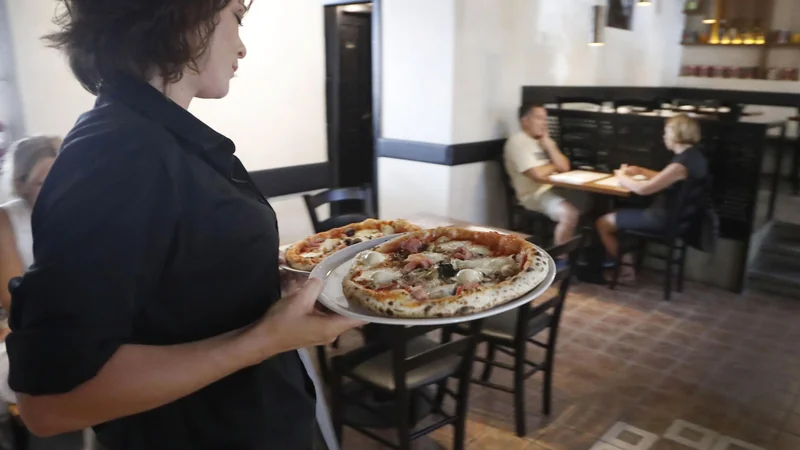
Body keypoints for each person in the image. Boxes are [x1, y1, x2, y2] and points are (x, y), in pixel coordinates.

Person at [6, 2, 363, 450]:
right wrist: (264, 338)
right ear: (181, 13)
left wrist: (260, 273)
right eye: (236, 15)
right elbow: (49, 402)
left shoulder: (159, 138)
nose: (242, 45)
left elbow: (169, 285)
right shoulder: (117, 153)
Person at [0, 136, 89, 450]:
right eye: (43, 182)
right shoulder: (7, 219)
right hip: (33, 327)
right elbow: (14, 298)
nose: (59, 187)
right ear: (21, 184)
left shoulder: (84, 212)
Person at [595, 114, 708, 283]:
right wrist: (640, 171)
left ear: (676, 134)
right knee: (617, 214)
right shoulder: (694, 157)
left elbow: (643, 189)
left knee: (603, 223)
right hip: (679, 220)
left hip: (662, 219)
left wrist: (620, 175)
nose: (663, 136)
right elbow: (665, 177)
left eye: (666, 131)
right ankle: (624, 265)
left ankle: (626, 271)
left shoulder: (680, 164)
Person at [504, 104, 584, 256]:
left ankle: (582, 260)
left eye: (545, 119)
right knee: (569, 214)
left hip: (555, 189)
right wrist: (554, 166)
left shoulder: (543, 140)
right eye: (539, 118)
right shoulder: (518, 142)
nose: (544, 123)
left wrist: (549, 145)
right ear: (525, 121)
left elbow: (565, 166)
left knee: (594, 205)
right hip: (533, 195)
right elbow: (537, 175)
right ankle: (560, 263)